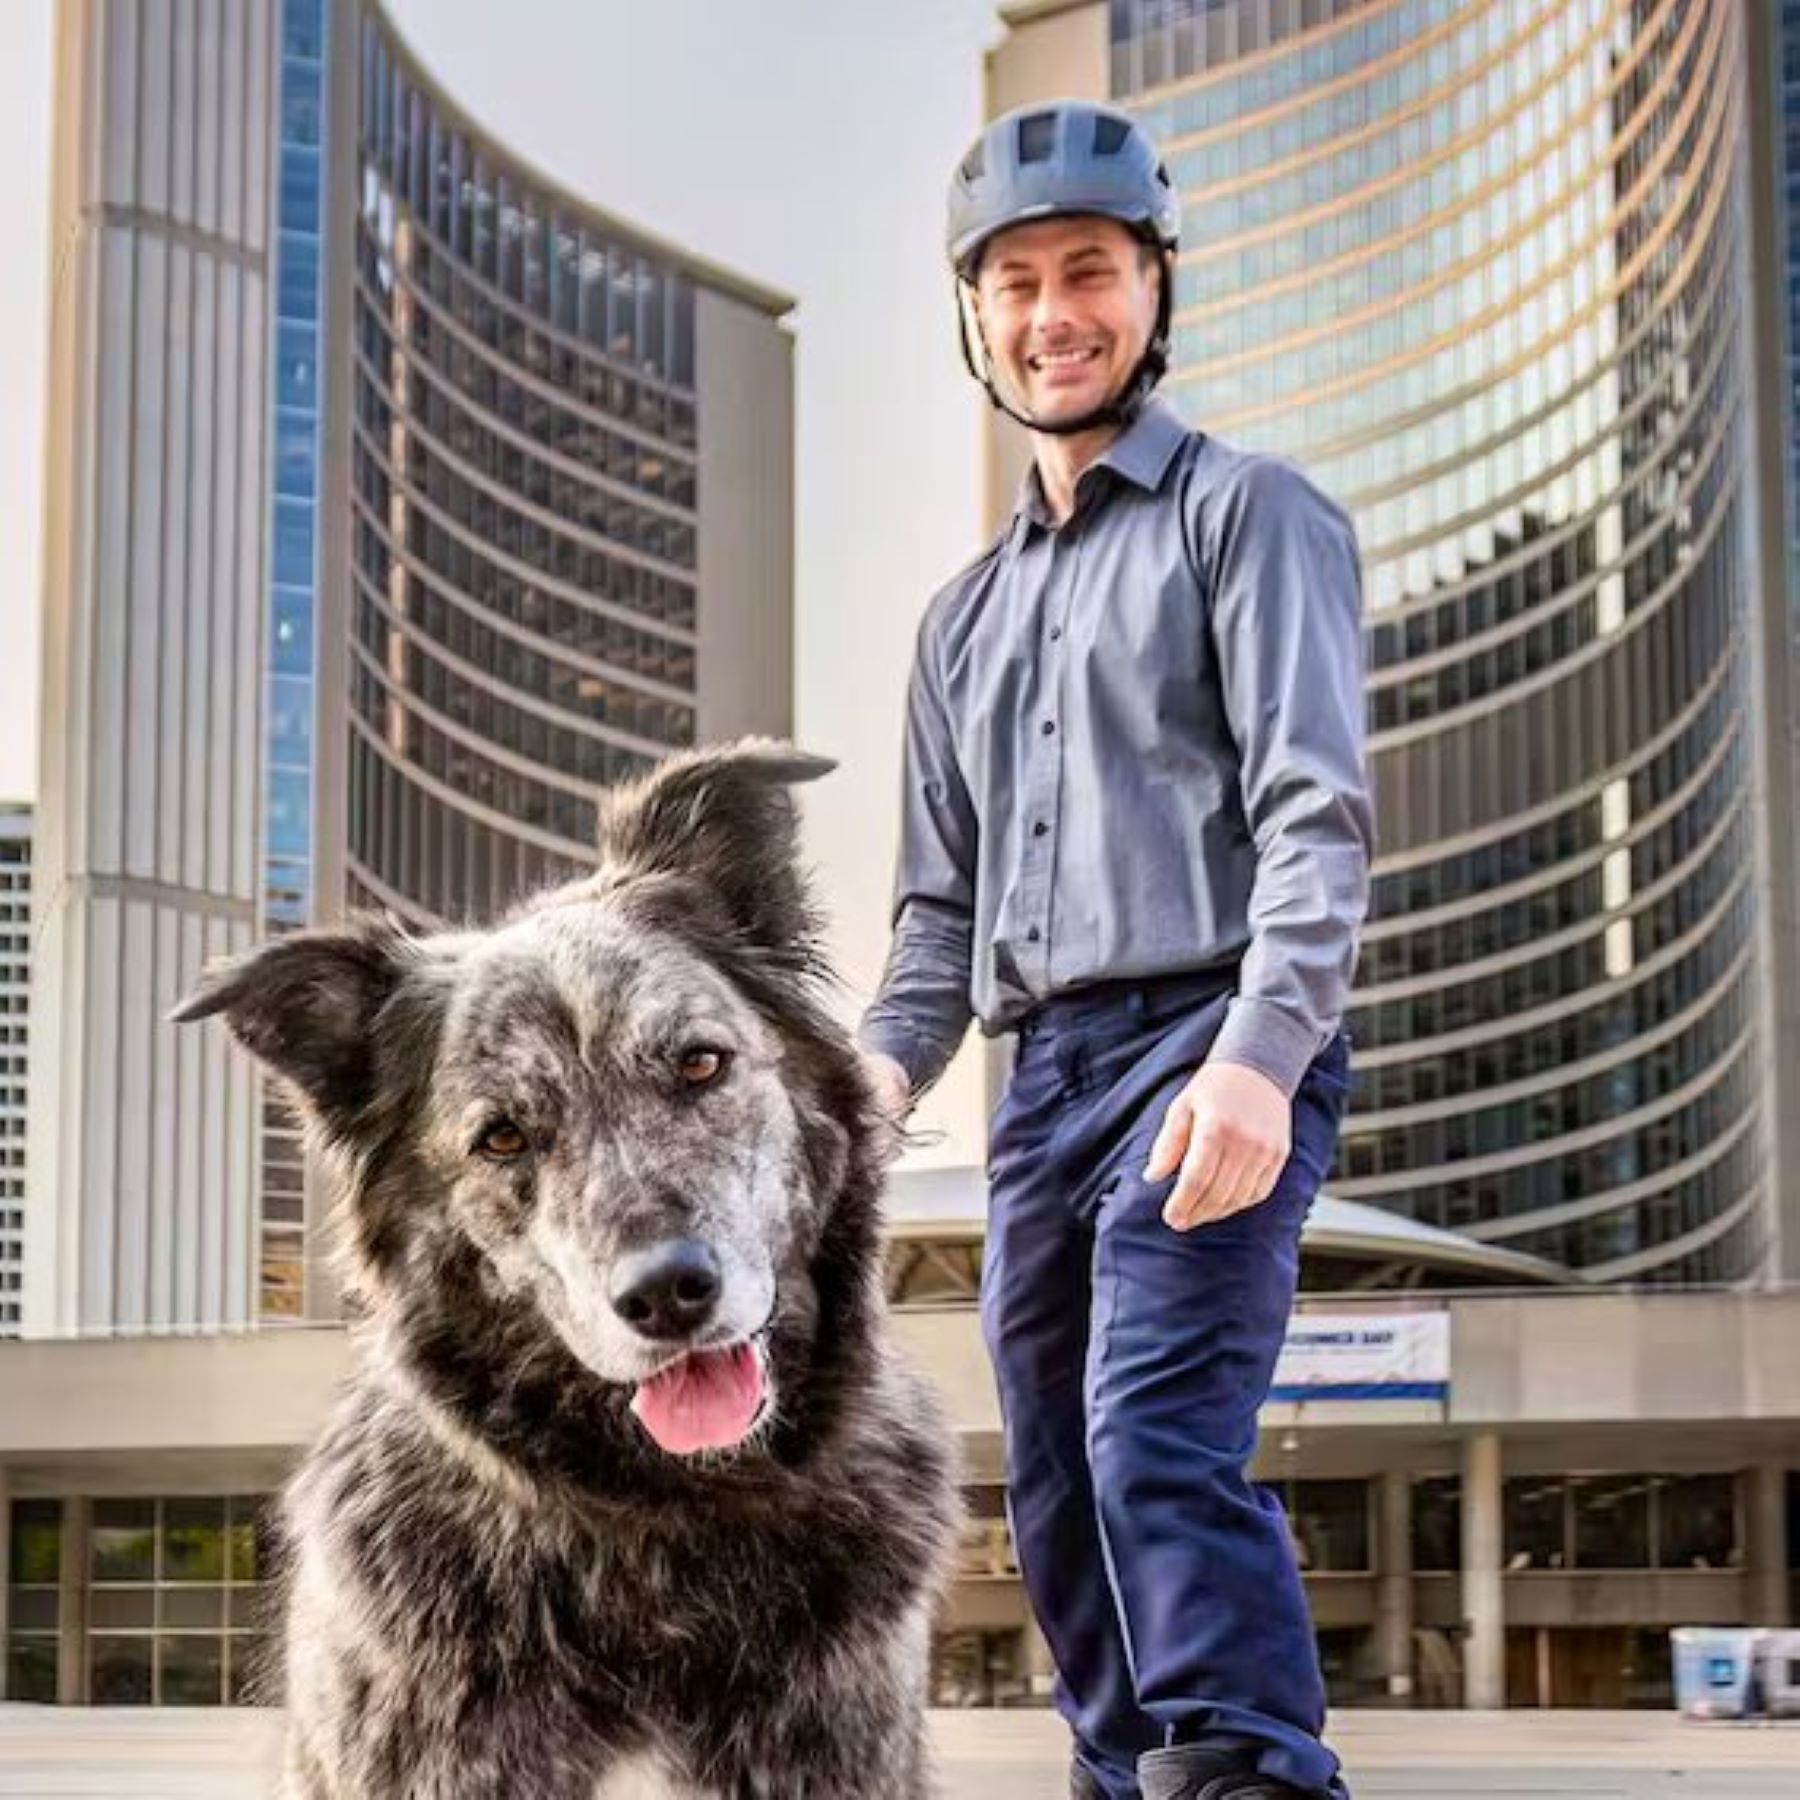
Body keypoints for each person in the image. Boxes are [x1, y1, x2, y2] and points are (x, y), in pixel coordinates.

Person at [858, 100, 1373, 1800]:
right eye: (1015, 280)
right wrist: (859, 1093)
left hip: (1211, 1040)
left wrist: (1257, 1059)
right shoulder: (962, 621)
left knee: (1157, 1433)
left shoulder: (1251, 516)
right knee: (1061, 1482)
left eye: (1089, 268)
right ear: (974, 316)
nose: (1051, 310)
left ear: (1155, 290)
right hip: (1041, 1080)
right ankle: (1123, 1769)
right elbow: (937, 922)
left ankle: (1250, 1766)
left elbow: (1315, 816)